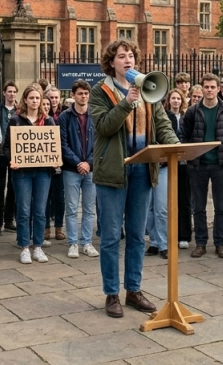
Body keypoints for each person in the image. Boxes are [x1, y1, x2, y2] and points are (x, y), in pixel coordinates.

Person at [90, 39, 178, 318]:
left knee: (139, 236)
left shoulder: (148, 90)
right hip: (113, 171)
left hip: (142, 170)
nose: (127, 60)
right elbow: (104, 126)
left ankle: (134, 290)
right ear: (111, 62)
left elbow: (162, 125)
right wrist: (126, 103)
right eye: (121, 56)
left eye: (131, 56)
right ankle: (112, 293)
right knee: (112, 236)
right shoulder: (100, 91)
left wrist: (176, 148)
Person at [182, 73, 223, 258]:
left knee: (221, 206)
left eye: (212, 87)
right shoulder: (192, 111)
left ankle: (220, 243)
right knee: (198, 206)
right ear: (202, 88)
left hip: (220, 164)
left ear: (218, 88)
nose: (209, 90)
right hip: (198, 165)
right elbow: (184, 135)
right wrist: (190, 157)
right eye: (206, 87)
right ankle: (200, 243)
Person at [4, 84, 55, 264]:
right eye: (31, 98)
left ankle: (38, 246)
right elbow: (7, 147)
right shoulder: (16, 120)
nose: (35, 101)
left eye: (37, 98)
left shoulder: (48, 121)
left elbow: (53, 145)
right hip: (22, 173)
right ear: (25, 99)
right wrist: (12, 159)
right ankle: (24, 246)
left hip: (42, 172)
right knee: (24, 211)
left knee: (40, 211)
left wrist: (55, 159)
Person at [59, 80, 99, 259]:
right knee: (72, 208)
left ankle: (87, 243)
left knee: (90, 209)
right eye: (80, 93)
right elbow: (62, 144)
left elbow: (100, 143)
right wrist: (78, 163)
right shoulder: (64, 117)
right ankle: (73, 243)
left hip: (91, 169)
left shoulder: (96, 115)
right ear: (73, 95)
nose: (83, 96)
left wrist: (88, 162)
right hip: (71, 170)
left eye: (86, 93)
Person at [164, 88, 193, 249]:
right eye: (173, 98)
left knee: (184, 200)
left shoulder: (186, 116)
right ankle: (170, 234)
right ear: (169, 100)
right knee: (168, 201)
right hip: (168, 163)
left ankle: (184, 235)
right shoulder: (165, 116)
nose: (176, 101)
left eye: (178, 99)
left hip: (185, 163)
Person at [0, 81, 18, 234]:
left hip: (16, 153)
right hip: (1, 153)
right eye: (9, 91)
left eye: (14, 91)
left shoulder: (19, 110)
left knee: (13, 188)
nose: (12, 94)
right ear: (4, 93)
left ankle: (9, 219)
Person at [46, 86, 66, 241]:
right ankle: (46, 228)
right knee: (45, 197)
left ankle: (58, 228)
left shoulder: (64, 115)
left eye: (55, 97)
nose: (53, 101)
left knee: (59, 196)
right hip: (45, 161)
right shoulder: (43, 117)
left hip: (61, 161)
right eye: (50, 98)